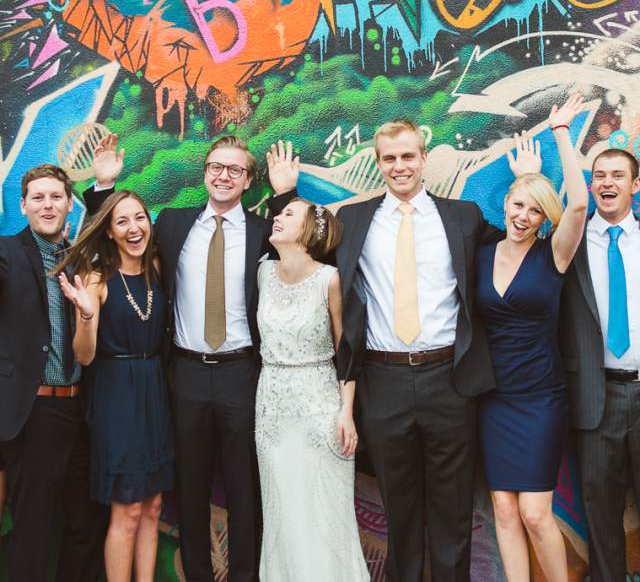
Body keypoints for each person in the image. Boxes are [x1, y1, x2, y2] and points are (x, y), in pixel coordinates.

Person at [84, 134, 298, 582]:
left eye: (235, 169)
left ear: (247, 180)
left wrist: (285, 196)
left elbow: (306, 248)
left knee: (244, 489)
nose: (223, 175)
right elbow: (114, 240)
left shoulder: (262, 231)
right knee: (191, 489)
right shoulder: (174, 224)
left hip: (243, 373)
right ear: (205, 173)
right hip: (183, 374)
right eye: (216, 167)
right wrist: (103, 187)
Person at [333, 118, 539, 582]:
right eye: (390, 158)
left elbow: (521, 246)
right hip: (382, 383)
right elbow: (300, 250)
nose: (400, 166)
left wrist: (530, 180)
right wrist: (285, 197)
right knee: (399, 514)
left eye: (408, 156)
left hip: (450, 378)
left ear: (424, 159)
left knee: (452, 514)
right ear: (378, 163)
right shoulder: (353, 220)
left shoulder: (461, 217)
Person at [476, 94, 588, 582]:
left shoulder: (553, 256)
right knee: (503, 509)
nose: (523, 216)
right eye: (518, 204)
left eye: (536, 211)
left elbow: (579, 203)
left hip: (540, 398)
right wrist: (526, 173)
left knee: (535, 513)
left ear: (546, 218)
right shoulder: (478, 253)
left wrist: (559, 131)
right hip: (494, 399)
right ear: (505, 204)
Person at [57, 190, 173, 582]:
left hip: (154, 391)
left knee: (153, 506)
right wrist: (87, 317)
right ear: (109, 231)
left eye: (139, 217)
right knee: (127, 510)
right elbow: (84, 356)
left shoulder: (157, 266)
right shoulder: (97, 277)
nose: (133, 227)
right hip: (116, 397)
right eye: (122, 221)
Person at [0, 164, 107, 582]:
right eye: (39, 197)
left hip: (80, 413)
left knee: (84, 526)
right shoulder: (7, 253)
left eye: (56, 197)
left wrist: (102, 186)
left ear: (68, 204)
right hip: (34, 414)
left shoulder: (80, 259)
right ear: (23, 205)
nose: (48, 205)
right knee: (33, 531)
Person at [256, 198, 369, 582]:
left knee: (323, 511)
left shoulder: (329, 279)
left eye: (288, 214)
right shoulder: (261, 273)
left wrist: (346, 412)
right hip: (271, 405)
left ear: (308, 232)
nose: (277, 217)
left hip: (319, 404)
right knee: (282, 511)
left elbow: (346, 350)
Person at [561, 146, 640, 581]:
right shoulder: (569, 242)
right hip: (596, 396)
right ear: (590, 185)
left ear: (635, 185)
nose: (608, 183)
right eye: (600, 176)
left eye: (618, 175)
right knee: (602, 514)